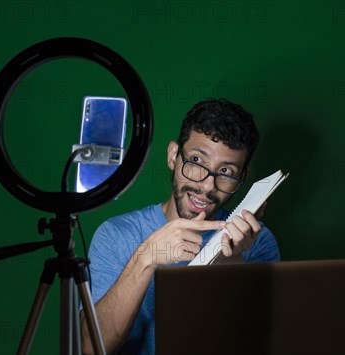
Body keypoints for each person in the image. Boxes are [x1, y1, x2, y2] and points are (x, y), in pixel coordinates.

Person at [80, 98, 280, 354]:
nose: (207, 186)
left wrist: (232, 263)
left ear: (242, 177)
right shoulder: (117, 234)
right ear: (174, 156)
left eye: (226, 172)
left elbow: (260, 342)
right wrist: (146, 257)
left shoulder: (257, 242)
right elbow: (92, 347)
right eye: (196, 161)